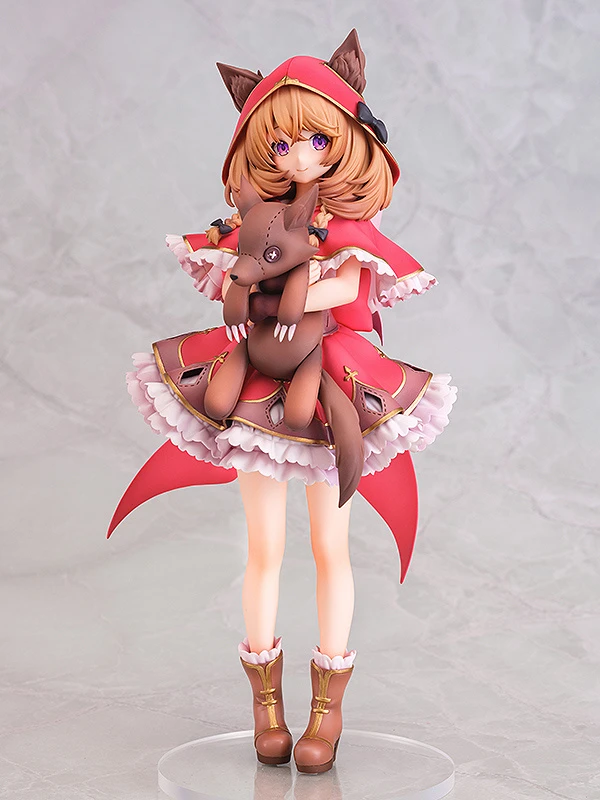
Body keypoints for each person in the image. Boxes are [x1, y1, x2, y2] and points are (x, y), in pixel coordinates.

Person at [108, 30, 457, 774]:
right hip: (259, 380)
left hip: (331, 375)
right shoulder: (255, 221)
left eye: (317, 141)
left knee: (331, 547)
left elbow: (348, 288)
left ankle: (327, 710)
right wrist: (262, 287)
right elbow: (232, 271)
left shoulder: (349, 230)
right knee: (262, 546)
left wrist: (279, 292)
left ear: (349, 140)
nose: (298, 156)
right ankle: (265, 706)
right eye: (279, 145)